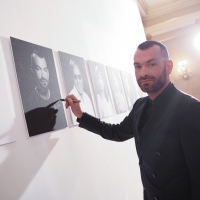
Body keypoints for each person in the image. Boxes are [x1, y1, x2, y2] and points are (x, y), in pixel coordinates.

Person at [65, 40, 200, 199]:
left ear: (168, 67)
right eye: (138, 66)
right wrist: (81, 115)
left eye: (151, 64)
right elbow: (117, 132)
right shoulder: (140, 105)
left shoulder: (189, 108)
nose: (143, 73)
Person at [25, 50, 67, 136]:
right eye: (38, 69)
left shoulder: (58, 97)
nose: (43, 76)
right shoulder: (29, 102)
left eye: (45, 69)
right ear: (32, 71)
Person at [69, 59, 95, 124]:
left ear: (82, 78)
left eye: (79, 77)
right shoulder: (70, 99)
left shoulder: (87, 97)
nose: (78, 81)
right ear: (72, 79)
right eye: (75, 77)